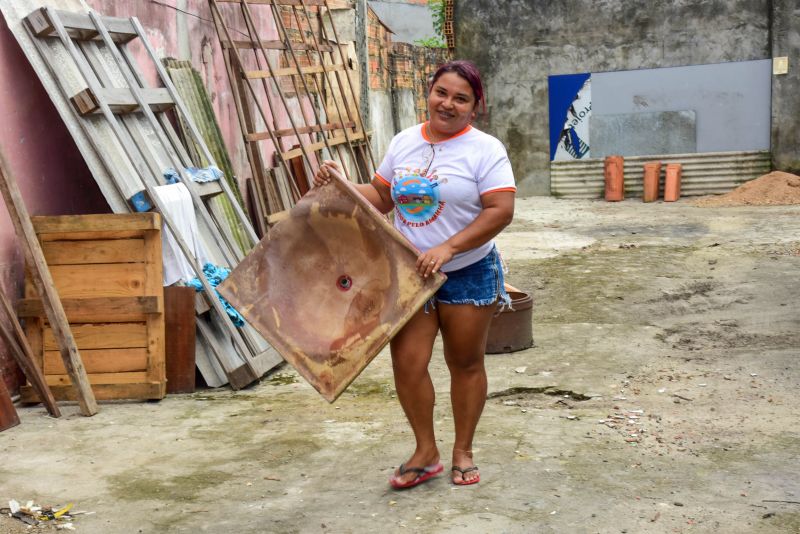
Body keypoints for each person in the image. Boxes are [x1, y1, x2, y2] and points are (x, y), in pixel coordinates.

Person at [313, 60, 515, 488]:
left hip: (468, 269)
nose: (448, 104)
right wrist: (341, 184)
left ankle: (463, 450)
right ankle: (426, 452)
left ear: (474, 107)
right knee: (407, 363)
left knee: (464, 362)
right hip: (409, 273)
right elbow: (383, 197)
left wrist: (449, 247)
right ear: (430, 92)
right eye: (442, 92)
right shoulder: (405, 142)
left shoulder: (486, 150)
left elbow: (501, 211)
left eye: (461, 98)